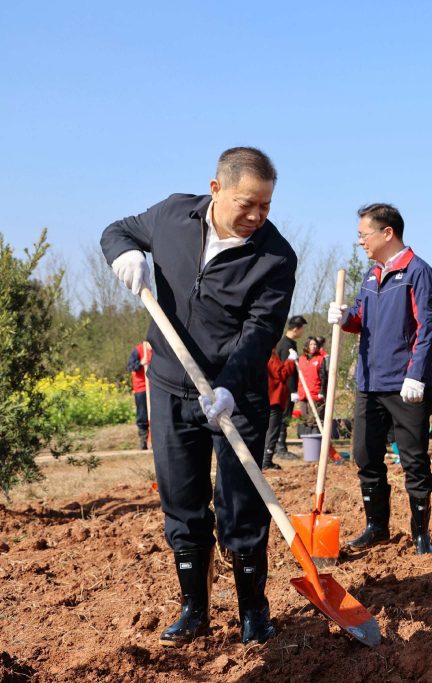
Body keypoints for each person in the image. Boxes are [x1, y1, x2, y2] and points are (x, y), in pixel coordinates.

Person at [100, 147, 296, 647]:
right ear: (215, 190)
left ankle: (254, 609)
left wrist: (230, 383)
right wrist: (124, 254)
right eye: (246, 203)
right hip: (168, 384)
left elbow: (259, 331)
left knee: (241, 507)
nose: (256, 216)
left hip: (236, 393)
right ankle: (194, 608)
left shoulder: (275, 257)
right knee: (183, 503)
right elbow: (116, 230)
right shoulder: (171, 215)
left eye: (266, 206)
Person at [327, 203, 432, 555]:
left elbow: (427, 328)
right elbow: (360, 318)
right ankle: (376, 526)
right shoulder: (371, 276)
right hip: (370, 382)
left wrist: (416, 374)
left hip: (404, 384)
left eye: (364, 234)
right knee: (365, 455)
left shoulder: (417, 273)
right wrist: (345, 316)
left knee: (413, 460)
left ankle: (420, 532)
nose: (360, 241)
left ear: (387, 233)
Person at [265, 315, 305, 467]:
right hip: (280, 392)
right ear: (296, 328)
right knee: (277, 422)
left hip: (283, 391)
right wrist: (292, 389)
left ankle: (274, 451)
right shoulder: (281, 346)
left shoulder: (288, 345)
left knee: (281, 421)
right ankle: (276, 450)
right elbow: (280, 372)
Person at [263, 346, 297, 470]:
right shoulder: (270, 356)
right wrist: (290, 361)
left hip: (270, 399)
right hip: (274, 400)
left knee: (270, 430)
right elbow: (281, 374)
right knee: (272, 431)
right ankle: (266, 460)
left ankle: (266, 459)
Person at [296, 336, 328, 436]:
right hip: (303, 393)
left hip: (315, 393)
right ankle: (307, 442)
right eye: (311, 344)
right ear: (307, 346)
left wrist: (322, 392)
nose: (313, 346)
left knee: (316, 419)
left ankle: (316, 441)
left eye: (315, 344)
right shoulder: (300, 359)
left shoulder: (320, 359)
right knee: (305, 417)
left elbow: (323, 377)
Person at [127, 341, 153, 450]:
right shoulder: (138, 350)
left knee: (156, 415)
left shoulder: (158, 350)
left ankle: (154, 440)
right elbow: (130, 367)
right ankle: (143, 440)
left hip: (154, 387)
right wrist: (141, 364)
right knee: (142, 415)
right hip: (141, 387)